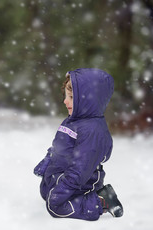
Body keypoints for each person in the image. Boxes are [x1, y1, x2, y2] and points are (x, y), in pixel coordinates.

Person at [34, 68, 123, 221]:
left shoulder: (92, 131)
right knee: (45, 193)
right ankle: (58, 192)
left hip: (80, 183)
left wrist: (63, 190)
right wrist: (47, 161)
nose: (65, 101)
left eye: (71, 97)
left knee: (56, 207)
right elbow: (59, 146)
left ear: (89, 100)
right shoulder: (73, 120)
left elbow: (81, 169)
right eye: (66, 96)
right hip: (61, 174)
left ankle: (101, 200)